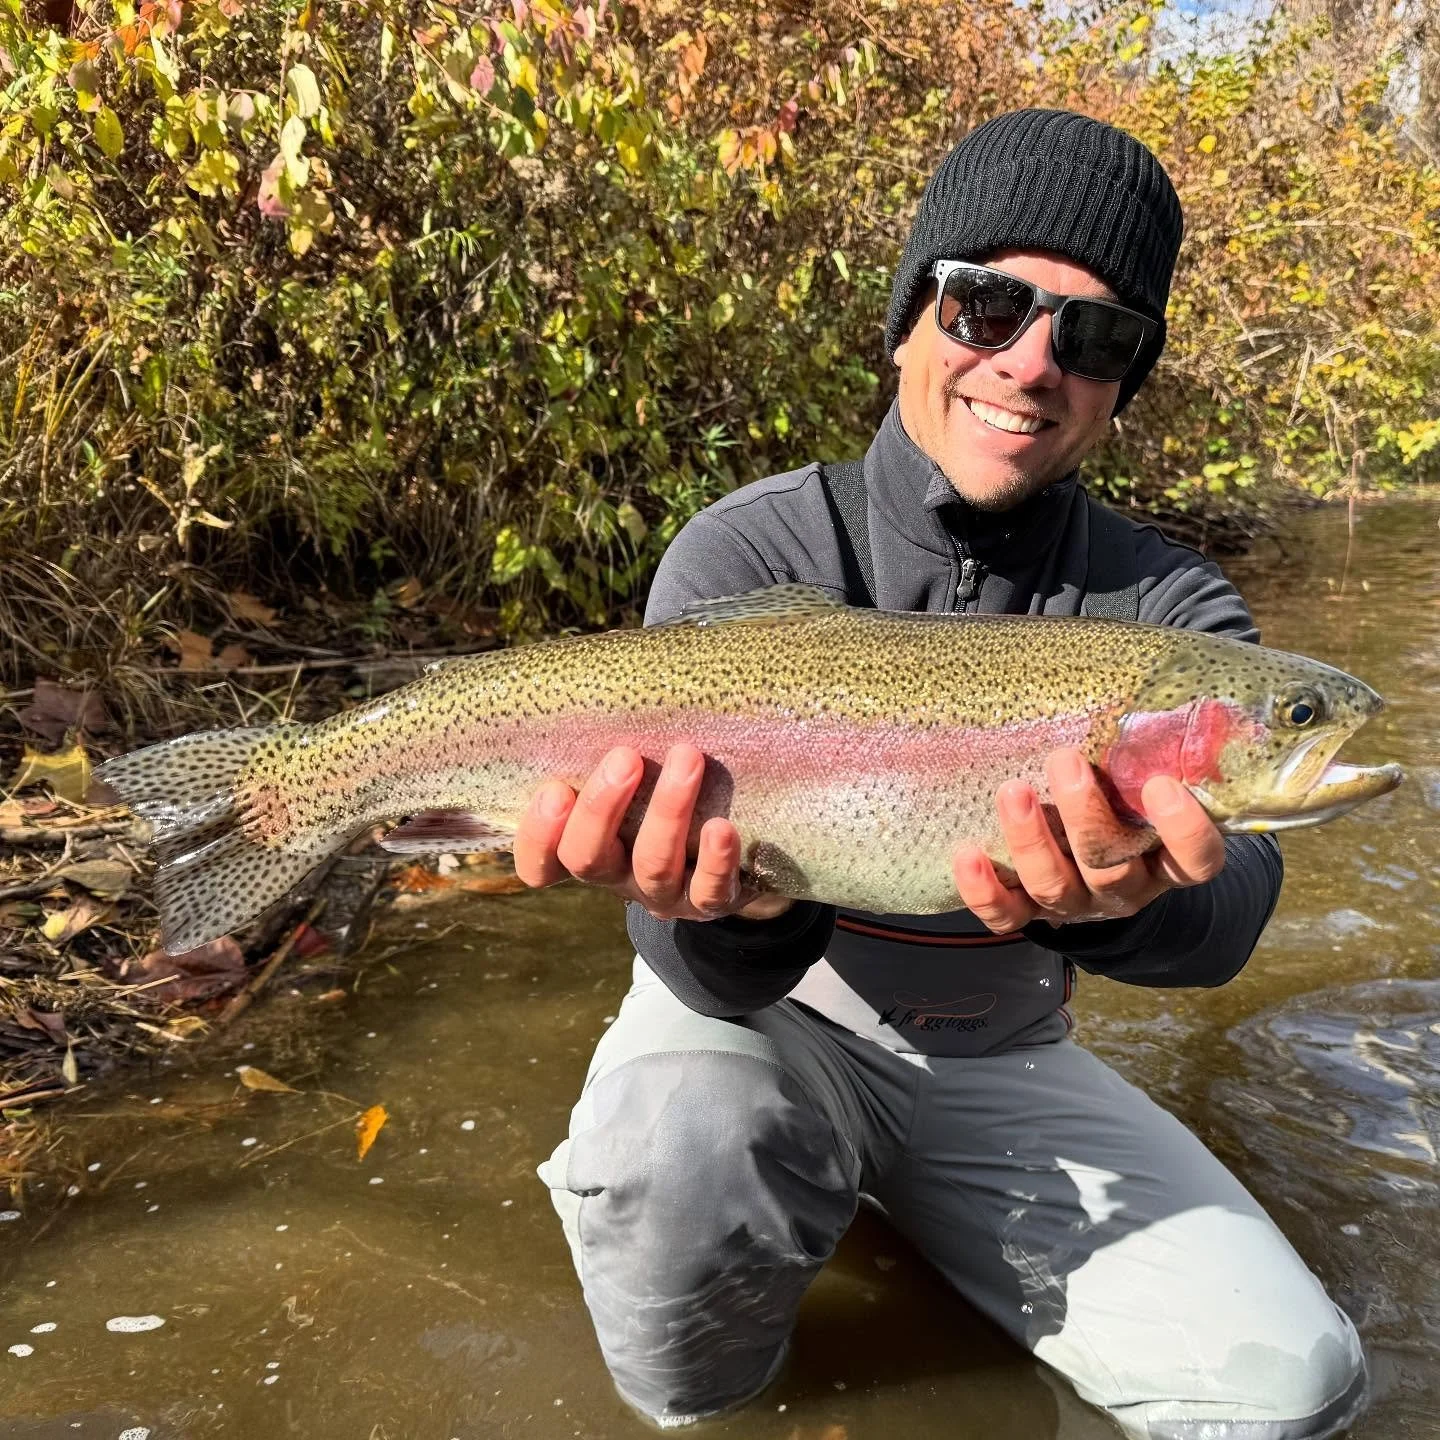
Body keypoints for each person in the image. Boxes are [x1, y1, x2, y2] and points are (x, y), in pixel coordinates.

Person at [522, 109, 1368, 1439]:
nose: (1032, 366)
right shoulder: (746, 552)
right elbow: (689, 969)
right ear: (911, 319)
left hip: (998, 1050)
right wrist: (735, 906)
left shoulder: (1167, 610)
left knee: (1289, 1388)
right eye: (986, 306)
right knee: (671, 1144)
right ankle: (711, 1409)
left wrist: (1133, 904)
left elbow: (1232, 916)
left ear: (1120, 382)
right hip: (758, 1033)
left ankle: (904, 1200)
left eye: (1093, 339)